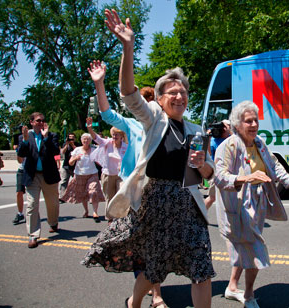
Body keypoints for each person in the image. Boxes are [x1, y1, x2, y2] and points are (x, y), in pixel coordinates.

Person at [82, 9, 215, 308]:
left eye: (183, 92)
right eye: (172, 92)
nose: (179, 96)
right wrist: (128, 48)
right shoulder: (153, 117)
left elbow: (210, 175)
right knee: (156, 268)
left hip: (189, 204)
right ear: (159, 98)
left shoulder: (196, 130)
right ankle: (135, 301)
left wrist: (202, 164)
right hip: (156, 203)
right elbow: (129, 94)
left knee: (201, 267)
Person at [214, 100, 289, 308]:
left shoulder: (259, 143)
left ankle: (232, 286)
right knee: (254, 248)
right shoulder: (227, 146)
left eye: (256, 120)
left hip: (257, 200)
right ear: (238, 124)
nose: (254, 124)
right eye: (249, 121)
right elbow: (218, 177)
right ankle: (248, 294)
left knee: (245, 246)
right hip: (237, 203)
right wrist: (244, 178)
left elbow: (274, 165)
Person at [87, 60, 164, 306]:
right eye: (144, 103)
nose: (148, 108)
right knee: (142, 246)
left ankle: (156, 294)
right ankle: (148, 295)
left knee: (157, 244)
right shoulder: (131, 125)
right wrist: (99, 84)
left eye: (152, 102)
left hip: (158, 191)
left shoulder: (164, 126)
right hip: (134, 194)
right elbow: (107, 114)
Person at [17, 112, 61, 249]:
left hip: (49, 175)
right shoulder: (24, 137)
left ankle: (53, 222)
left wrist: (46, 137)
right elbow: (21, 154)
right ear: (31, 122)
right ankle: (33, 235)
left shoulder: (52, 135)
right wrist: (24, 140)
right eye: (38, 121)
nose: (41, 123)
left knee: (52, 204)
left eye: (42, 120)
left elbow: (55, 152)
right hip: (32, 176)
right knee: (32, 204)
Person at [86, 117, 127, 222]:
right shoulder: (107, 143)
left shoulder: (126, 146)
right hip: (108, 175)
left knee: (121, 195)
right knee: (110, 197)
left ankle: (120, 217)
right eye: (113, 134)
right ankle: (110, 219)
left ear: (121, 136)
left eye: (116, 134)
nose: (114, 136)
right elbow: (96, 138)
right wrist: (90, 129)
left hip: (120, 175)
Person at [61, 133, 105, 222]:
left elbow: (99, 161)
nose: (86, 141)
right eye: (84, 139)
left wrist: (105, 165)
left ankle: (95, 212)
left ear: (90, 140)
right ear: (81, 140)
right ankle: (86, 211)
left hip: (92, 173)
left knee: (94, 191)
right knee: (83, 194)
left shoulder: (93, 150)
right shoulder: (77, 150)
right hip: (80, 174)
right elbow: (70, 162)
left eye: (88, 139)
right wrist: (75, 158)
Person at [204, 119, 231, 209]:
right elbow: (209, 154)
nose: (226, 128)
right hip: (218, 173)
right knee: (212, 198)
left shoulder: (232, 138)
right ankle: (199, 215)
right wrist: (208, 137)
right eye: (227, 126)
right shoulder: (214, 141)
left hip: (230, 173)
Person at [59, 133, 79, 202]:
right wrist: (67, 144)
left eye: (72, 138)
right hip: (66, 165)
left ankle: (77, 195)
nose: (71, 139)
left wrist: (73, 144)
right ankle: (62, 197)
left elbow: (78, 151)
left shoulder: (77, 144)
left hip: (75, 166)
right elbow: (62, 152)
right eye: (70, 138)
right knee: (64, 181)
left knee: (77, 181)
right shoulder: (66, 144)